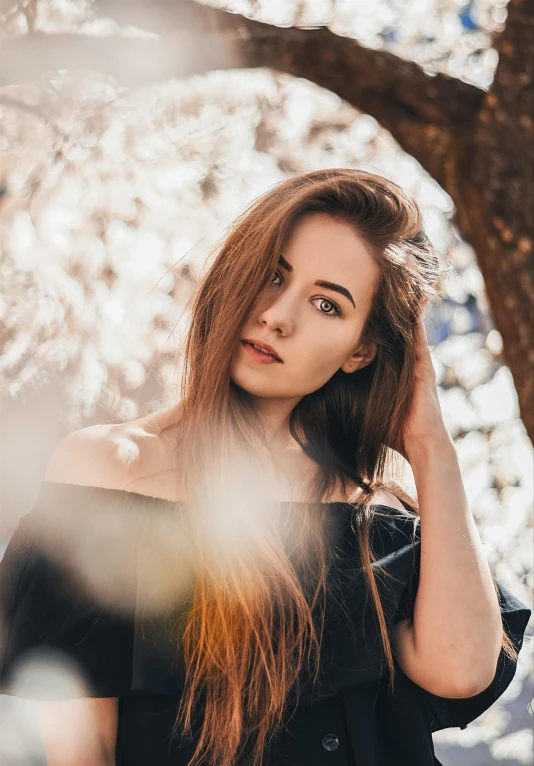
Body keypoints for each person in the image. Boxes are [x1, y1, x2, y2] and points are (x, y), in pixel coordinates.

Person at [0, 168, 530, 766]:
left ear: (361, 350)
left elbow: (458, 672)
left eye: (327, 304)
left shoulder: (374, 512)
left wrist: (432, 447)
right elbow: (81, 749)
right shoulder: (108, 470)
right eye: (273, 275)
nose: (278, 315)